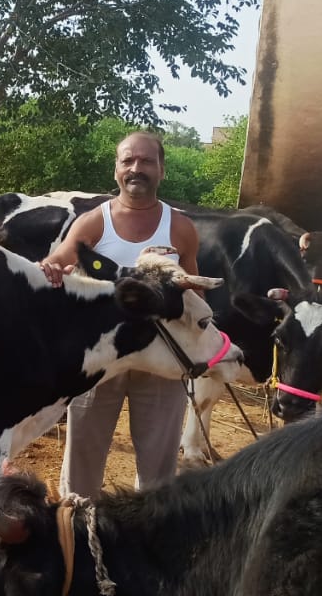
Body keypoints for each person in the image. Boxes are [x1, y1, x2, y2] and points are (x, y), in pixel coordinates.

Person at [37, 131, 200, 500]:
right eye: (127, 161)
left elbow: (195, 291)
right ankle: (76, 537)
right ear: (116, 170)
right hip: (100, 361)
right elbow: (57, 263)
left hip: (161, 362)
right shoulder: (94, 222)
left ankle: (148, 541)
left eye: (145, 161)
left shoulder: (181, 229)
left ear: (162, 169)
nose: (135, 168)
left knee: (158, 474)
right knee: (82, 468)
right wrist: (48, 268)